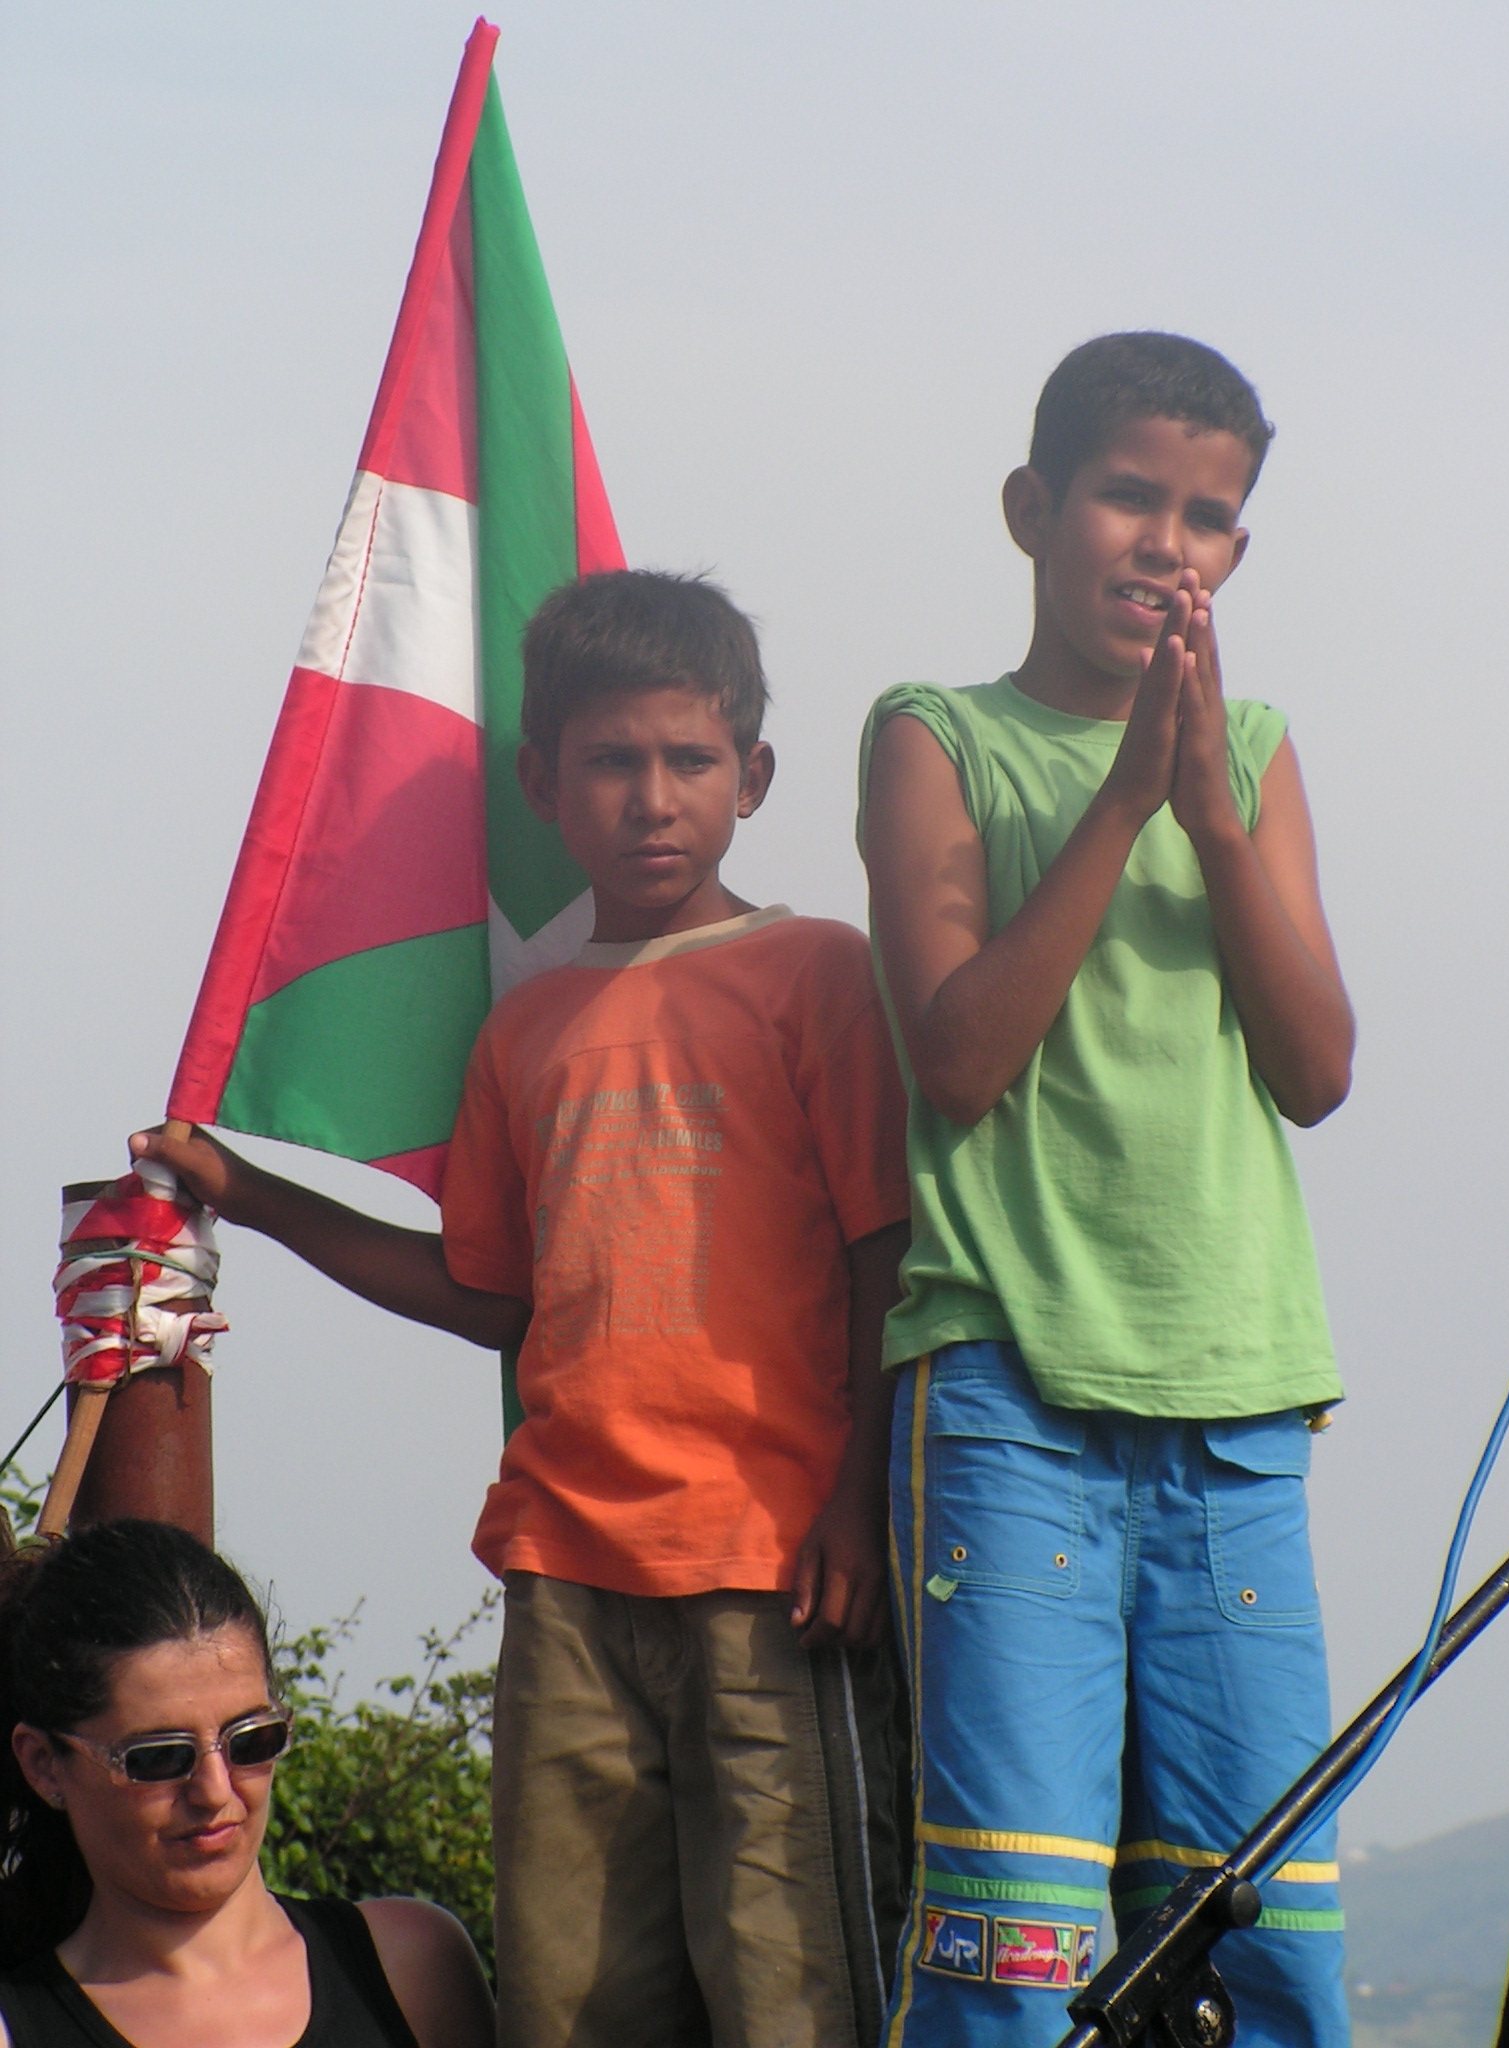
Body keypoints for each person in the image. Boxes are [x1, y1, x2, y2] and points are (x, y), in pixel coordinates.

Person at [134, 569, 914, 2048]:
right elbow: (489, 1293)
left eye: (691, 761)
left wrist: (859, 1505)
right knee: (573, 1996)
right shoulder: (527, 1028)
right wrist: (251, 1189)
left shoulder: (815, 973)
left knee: (790, 1982)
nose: (654, 798)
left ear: (753, 775)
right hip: (565, 1572)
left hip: (770, 1574)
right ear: (543, 783)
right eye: (613, 762)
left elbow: (890, 1256)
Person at [857, 332, 1355, 2048]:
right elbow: (959, 1057)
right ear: (1032, 507)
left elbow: (1315, 1067)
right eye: (1129, 494)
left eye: (1207, 515)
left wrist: (1207, 816)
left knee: (1268, 1923)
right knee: (1013, 1938)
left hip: (1234, 1403)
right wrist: (1125, 794)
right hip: (1009, 1394)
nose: (1166, 542)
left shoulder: (1264, 751)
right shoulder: (938, 737)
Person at [0, 1516, 494, 2048]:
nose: (215, 1791)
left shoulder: (413, 1967)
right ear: (44, 1764)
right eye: (160, 1757)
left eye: (251, 1741)